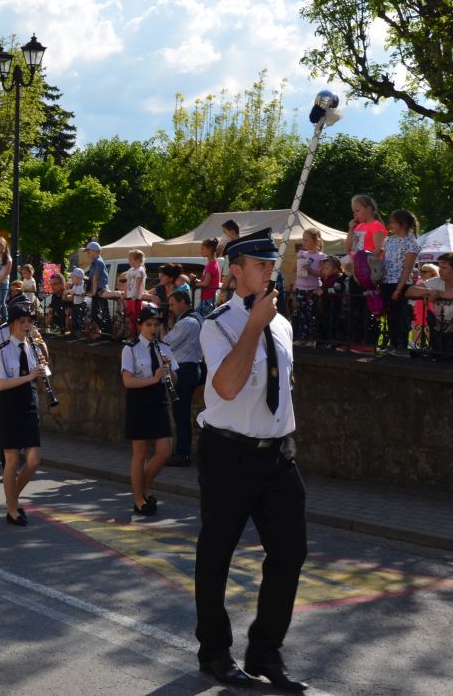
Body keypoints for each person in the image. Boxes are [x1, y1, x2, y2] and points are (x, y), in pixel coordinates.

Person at [193, 228, 308, 692]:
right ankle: (214, 652)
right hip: (229, 454)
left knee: (291, 552)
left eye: (271, 265)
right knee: (216, 554)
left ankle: (265, 651)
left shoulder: (283, 323)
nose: (269, 272)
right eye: (261, 265)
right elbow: (226, 387)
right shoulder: (217, 324)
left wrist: (265, 322)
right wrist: (254, 325)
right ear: (236, 271)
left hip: (277, 454)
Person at [0, 301, 47, 526]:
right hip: (9, 404)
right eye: (23, 321)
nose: (27, 326)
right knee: (12, 460)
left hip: (29, 402)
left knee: (34, 460)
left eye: (30, 322)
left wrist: (41, 372)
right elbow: (1, 384)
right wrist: (29, 376)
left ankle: (12, 497)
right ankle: (13, 508)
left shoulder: (33, 347)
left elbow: (40, 381)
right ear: (13, 324)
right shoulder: (2, 350)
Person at [121, 305, 175, 516]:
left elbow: (175, 379)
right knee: (140, 453)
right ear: (140, 326)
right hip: (139, 401)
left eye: (156, 325)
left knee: (165, 450)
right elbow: (128, 381)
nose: (153, 329)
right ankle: (138, 499)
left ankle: (144, 486)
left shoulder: (164, 348)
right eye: (149, 325)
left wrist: (169, 370)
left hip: (159, 399)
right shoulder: (131, 349)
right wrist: (153, 378)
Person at [404, 252, 453, 360]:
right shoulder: (436, 281)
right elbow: (410, 291)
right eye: (439, 267)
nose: (440, 270)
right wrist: (428, 291)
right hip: (440, 337)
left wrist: (438, 294)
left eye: (444, 267)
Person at [163, 289, 204, 467]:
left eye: (172, 304)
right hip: (192, 368)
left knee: (181, 414)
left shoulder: (187, 322)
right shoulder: (198, 317)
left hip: (185, 370)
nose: (170, 309)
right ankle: (181, 451)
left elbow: (167, 343)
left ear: (182, 302)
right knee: (181, 413)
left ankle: (183, 454)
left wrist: (165, 327)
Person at [345, 194, 387, 352]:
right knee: (355, 306)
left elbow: (378, 250)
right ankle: (355, 340)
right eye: (353, 211)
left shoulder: (376, 226)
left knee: (367, 307)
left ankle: (368, 343)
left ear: (368, 209)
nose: (355, 214)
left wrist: (361, 262)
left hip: (367, 273)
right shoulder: (358, 227)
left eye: (357, 210)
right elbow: (348, 248)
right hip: (354, 272)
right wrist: (351, 229)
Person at [380, 210, 421, 356]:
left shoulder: (411, 243)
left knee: (400, 316)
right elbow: (383, 261)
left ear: (402, 224)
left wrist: (399, 288)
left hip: (400, 283)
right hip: (386, 281)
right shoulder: (389, 241)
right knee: (390, 317)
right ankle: (392, 344)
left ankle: (402, 347)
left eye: (393, 222)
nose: (390, 225)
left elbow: (408, 269)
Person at [292, 230, 325, 347]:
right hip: (300, 288)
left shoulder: (321, 256)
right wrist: (298, 262)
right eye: (303, 239)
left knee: (312, 315)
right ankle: (301, 338)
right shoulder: (301, 253)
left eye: (306, 240)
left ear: (316, 240)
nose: (304, 242)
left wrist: (310, 271)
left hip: (312, 289)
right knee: (300, 314)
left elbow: (323, 274)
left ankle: (312, 339)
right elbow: (293, 270)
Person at [315, 257, 349, 349]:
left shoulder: (338, 279)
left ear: (335, 269)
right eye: (323, 268)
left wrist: (323, 292)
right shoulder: (327, 278)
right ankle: (323, 342)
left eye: (326, 268)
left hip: (333, 308)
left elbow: (337, 290)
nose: (323, 270)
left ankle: (332, 343)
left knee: (332, 326)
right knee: (324, 325)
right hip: (325, 307)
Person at [84, 241, 109, 339]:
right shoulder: (95, 262)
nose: (87, 254)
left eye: (89, 251)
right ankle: (106, 332)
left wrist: (93, 292)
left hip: (100, 291)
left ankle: (108, 332)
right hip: (97, 291)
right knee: (96, 313)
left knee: (103, 313)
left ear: (95, 251)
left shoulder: (98, 262)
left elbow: (96, 277)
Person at [124, 250, 148, 339]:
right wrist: (125, 293)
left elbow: (139, 284)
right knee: (130, 315)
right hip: (130, 296)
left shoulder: (140, 270)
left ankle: (136, 335)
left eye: (131, 259)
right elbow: (127, 283)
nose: (129, 262)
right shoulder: (130, 270)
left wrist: (136, 295)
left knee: (135, 316)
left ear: (137, 260)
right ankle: (132, 335)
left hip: (136, 298)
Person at [197, 238, 222, 317]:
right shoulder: (212, 263)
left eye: (202, 249)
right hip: (209, 298)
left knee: (200, 319)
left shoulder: (211, 264)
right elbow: (207, 282)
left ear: (209, 249)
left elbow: (206, 283)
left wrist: (195, 284)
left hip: (208, 298)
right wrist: (197, 281)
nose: (200, 251)